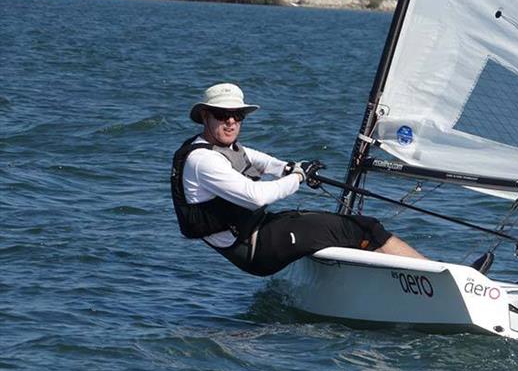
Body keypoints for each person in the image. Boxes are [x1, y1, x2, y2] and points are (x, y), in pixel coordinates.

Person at [171, 83, 425, 276]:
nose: (231, 122)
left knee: (342, 225)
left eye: (238, 115)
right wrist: (297, 177)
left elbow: (264, 162)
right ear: (205, 116)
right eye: (221, 114)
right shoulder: (203, 160)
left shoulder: (223, 148)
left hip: (260, 233)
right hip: (257, 250)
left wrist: (290, 167)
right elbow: (255, 196)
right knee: (365, 227)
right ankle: (430, 274)